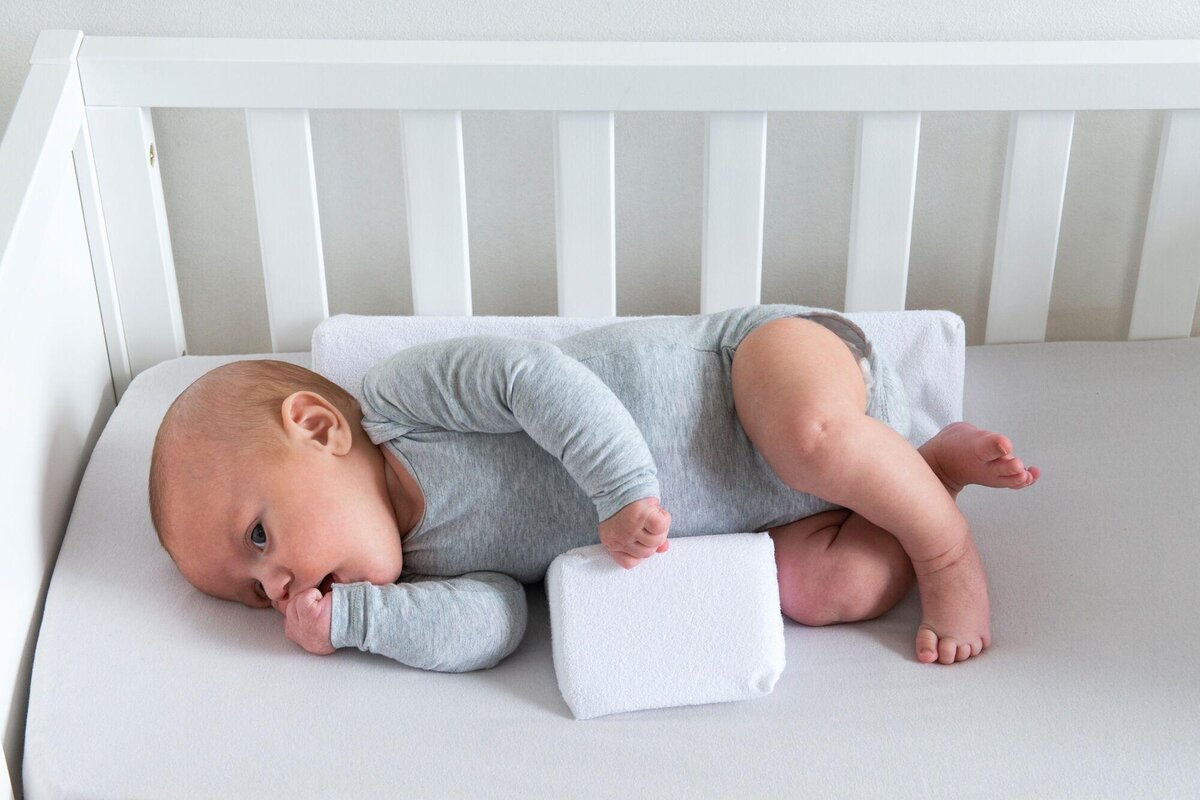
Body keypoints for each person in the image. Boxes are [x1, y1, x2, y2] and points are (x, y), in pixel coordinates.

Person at [148, 303, 1040, 672]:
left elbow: (534, 380)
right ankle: (930, 474)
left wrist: (620, 491)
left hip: (757, 370)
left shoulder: (399, 406)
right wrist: (359, 622)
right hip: (781, 511)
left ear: (315, 428)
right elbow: (498, 626)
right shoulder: (422, 577)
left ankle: (946, 550)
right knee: (821, 589)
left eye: (258, 538)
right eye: (250, 591)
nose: (272, 587)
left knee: (810, 438)